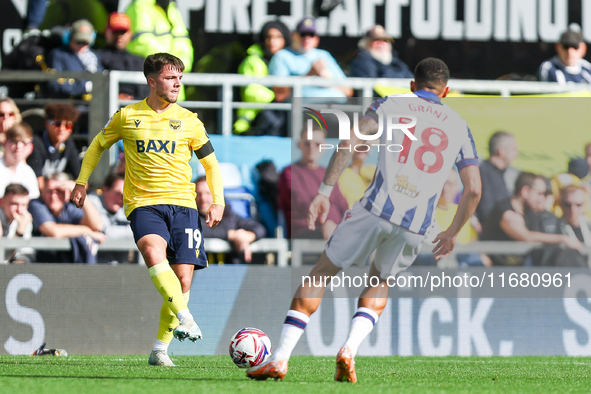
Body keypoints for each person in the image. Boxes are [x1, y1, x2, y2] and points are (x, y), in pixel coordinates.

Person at [247, 58, 482, 382]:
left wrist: (324, 191)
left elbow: (349, 143)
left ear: (412, 85)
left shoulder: (389, 104)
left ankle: (280, 358)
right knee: (379, 282)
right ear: (447, 90)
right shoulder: (459, 125)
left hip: (375, 209)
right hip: (416, 225)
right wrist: (453, 232)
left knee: (322, 273)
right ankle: (349, 349)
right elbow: (474, 189)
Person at [69, 53, 225, 367]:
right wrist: (82, 181)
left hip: (183, 205)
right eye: (171, 78)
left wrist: (218, 200)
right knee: (153, 250)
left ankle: (159, 350)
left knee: (183, 281)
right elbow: (98, 144)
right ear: (152, 82)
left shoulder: (190, 120)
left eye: (180, 78)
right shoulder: (127, 116)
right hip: (144, 203)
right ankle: (185, 316)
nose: (177, 83)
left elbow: (211, 164)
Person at [481, 172, 581, 266]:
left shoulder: (528, 212)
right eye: (540, 193)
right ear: (525, 191)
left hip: (515, 272)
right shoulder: (507, 213)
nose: (542, 198)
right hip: (495, 273)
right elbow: (527, 237)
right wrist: (563, 239)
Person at [278, 127, 348, 239]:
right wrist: (327, 222)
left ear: (324, 146)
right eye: (307, 143)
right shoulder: (289, 172)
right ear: (299, 144)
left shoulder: (328, 173)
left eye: (317, 144)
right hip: (306, 231)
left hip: (335, 229)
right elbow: (302, 203)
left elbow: (343, 205)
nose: (312, 147)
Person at [268, 16, 353, 103]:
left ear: (316, 39)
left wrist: (329, 83)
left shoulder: (324, 55)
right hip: (303, 112)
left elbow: (349, 91)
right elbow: (280, 95)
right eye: (303, 34)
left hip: (336, 110)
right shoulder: (283, 56)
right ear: (293, 36)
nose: (306, 38)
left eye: (311, 35)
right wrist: (309, 75)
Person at [29, 172, 106, 264]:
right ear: (42, 192)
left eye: (59, 191)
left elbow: (97, 226)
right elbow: (54, 231)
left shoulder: (68, 208)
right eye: (50, 191)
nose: (54, 196)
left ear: (68, 193)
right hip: (39, 265)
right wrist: (87, 230)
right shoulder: (37, 205)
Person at [125, 0, 193, 101]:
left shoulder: (172, 9)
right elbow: (140, 43)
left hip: (174, 96)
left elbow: (184, 44)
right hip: (149, 88)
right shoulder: (140, 5)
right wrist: (170, 64)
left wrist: (176, 66)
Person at [234, 20, 291, 135]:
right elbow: (250, 91)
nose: (272, 41)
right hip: (252, 123)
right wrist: (276, 96)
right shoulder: (252, 60)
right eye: (268, 37)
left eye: (278, 37)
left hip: (284, 119)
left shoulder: (291, 60)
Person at [195, 176, 266, 264]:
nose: (203, 198)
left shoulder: (228, 214)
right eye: (198, 193)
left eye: (208, 193)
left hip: (230, 274)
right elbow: (197, 231)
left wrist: (249, 235)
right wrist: (231, 234)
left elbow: (259, 228)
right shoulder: (188, 217)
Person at [27, 103, 81, 191]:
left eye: (67, 125)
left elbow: (81, 180)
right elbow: (38, 182)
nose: (62, 129)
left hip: (58, 192)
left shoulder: (68, 143)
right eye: (57, 124)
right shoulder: (36, 142)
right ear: (47, 124)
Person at [96, 12, 150, 101]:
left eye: (123, 32)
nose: (119, 36)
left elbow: (144, 91)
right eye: (115, 32)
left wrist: (133, 100)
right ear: (106, 32)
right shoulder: (97, 57)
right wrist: (114, 97)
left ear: (130, 34)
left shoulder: (139, 61)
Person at [46, 19, 104, 99]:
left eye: (86, 43)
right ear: (69, 38)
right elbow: (54, 84)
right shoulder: (58, 54)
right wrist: (85, 87)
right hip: (72, 105)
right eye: (78, 42)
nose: (82, 46)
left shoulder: (94, 56)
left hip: (95, 104)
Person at [86, 172, 134, 264]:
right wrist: (137, 229)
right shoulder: (91, 201)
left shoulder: (126, 206)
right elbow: (107, 233)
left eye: (125, 195)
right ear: (105, 189)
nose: (121, 198)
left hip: (120, 270)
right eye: (117, 193)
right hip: (94, 268)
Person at [475, 131, 520, 224]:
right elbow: (486, 210)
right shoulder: (483, 172)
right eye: (514, 149)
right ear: (502, 151)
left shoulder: (501, 173)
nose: (517, 154)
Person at [349, 25, 413, 80]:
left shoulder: (397, 63)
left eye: (385, 40)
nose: (381, 44)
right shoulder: (361, 62)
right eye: (376, 40)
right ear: (366, 44)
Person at [0, 123, 40, 200]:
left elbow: (33, 200)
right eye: (14, 141)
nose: (19, 146)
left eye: (24, 143)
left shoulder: (27, 171)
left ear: (30, 148)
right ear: (4, 144)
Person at [555, 185, 591, 266]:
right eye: (568, 204)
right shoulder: (553, 227)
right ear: (560, 204)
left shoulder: (588, 226)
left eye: (578, 205)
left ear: (584, 205)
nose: (573, 209)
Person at [0, 184, 34, 263]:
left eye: (24, 205)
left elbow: (25, 253)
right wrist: (20, 230)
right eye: (14, 204)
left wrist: (19, 265)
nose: (19, 209)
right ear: (1, 202)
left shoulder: (25, 218)